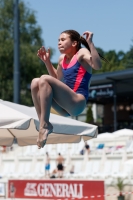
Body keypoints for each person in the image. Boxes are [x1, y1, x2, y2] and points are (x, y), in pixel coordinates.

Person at [31, 29, 107, 149]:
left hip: (77, 102)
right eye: (58, 40)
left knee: (43, 79)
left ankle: (44, 125)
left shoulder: (81, 53)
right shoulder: (62, 59)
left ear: (74, 43)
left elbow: (97, 66)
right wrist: (47, 62)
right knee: (35, 83)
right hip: (65, 106)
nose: (59, 43)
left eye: (63, 39)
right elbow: (56, 79)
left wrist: (90, 43)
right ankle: (43, 124)